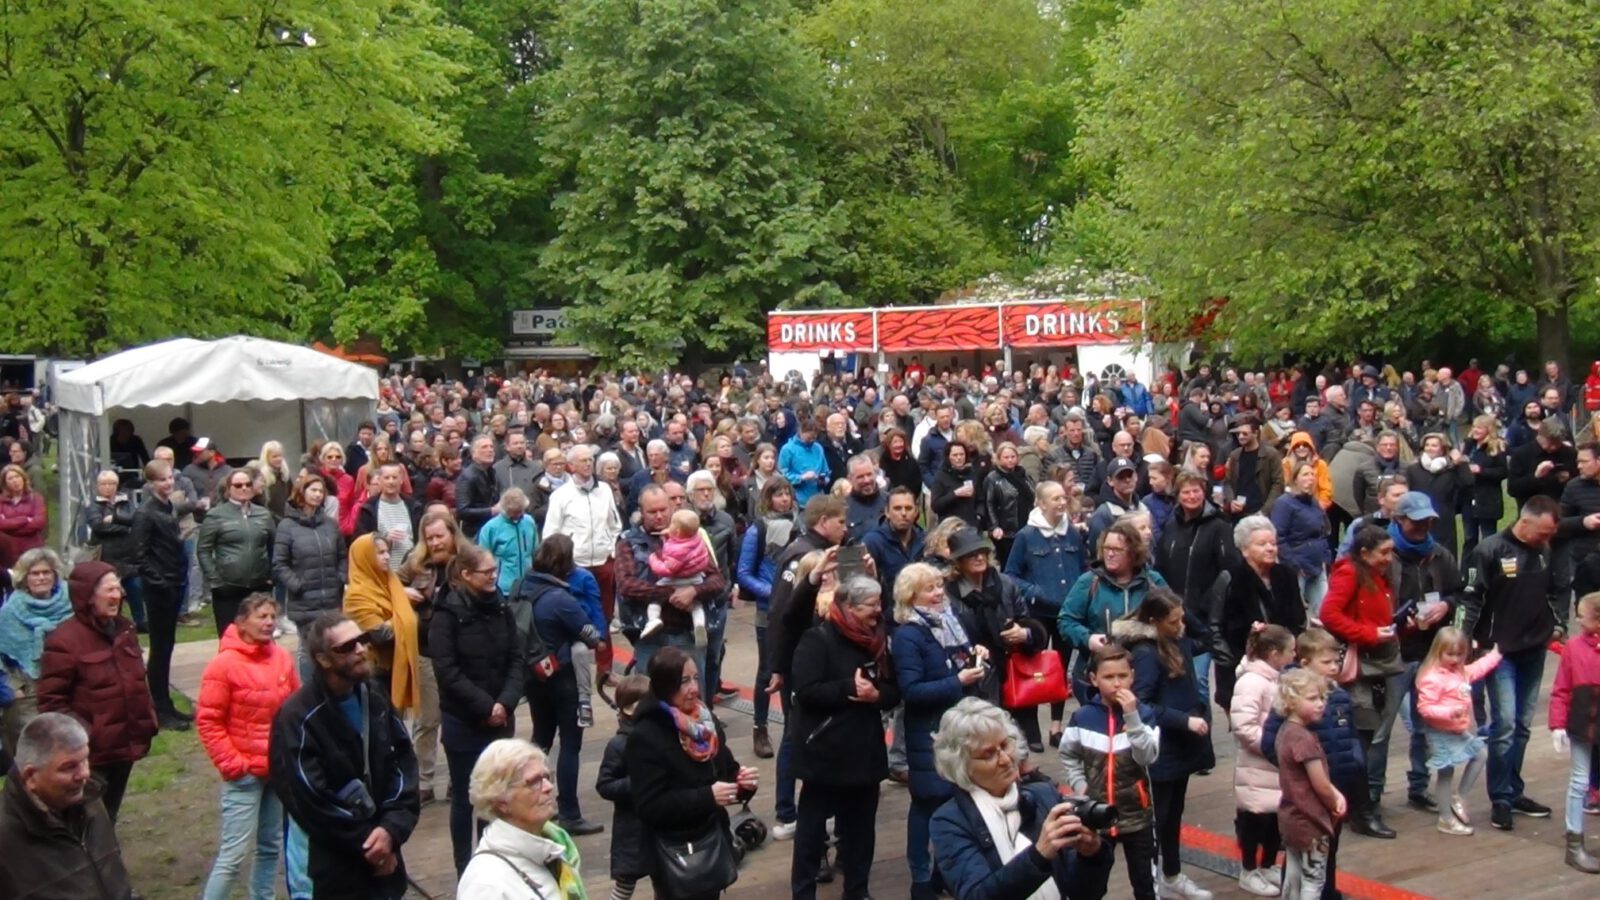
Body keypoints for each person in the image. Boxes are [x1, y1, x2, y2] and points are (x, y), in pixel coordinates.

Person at [268, 613, 421, 899]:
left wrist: (391, 829)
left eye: (362, 640)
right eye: (347, 647)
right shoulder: (297, 717)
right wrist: (371, 845)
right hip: (336, 868)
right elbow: (310, 797)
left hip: (386, 858)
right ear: (323, 660)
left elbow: (403, 762)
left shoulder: (374, 695)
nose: (361, 649)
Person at [930, 697, 1113, 900]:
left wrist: (1091, 855)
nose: (1006, 759)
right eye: (988, 754)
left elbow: (1086, 893)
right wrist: (1038, 856)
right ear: (960, 765)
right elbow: (976, 895)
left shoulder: (1044, 795)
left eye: (1005, 745)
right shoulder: (949, 822)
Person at [789, 574, 901, 899]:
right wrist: (848, 689)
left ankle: (858, 890)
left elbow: (894, 691)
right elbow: (806, 690)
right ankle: (803, 891)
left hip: (864, 751)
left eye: (880, 604)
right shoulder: (818, 639)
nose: (878, 612)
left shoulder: (880, 641)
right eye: (870, 606)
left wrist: (876, 696)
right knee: (811, 832)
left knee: (862, 830)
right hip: (825, 750)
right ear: (849, 607)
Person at [1460, 495, 1563, 832]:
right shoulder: (1488, 550)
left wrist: (1557, 623)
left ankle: (1513, 790)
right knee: (1503, 725)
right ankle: (1500, 798)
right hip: (1499, 651)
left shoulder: (1543, 551)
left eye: (1550, 535)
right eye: (1542, 532)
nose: (1546, 540)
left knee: (1521, 726)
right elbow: (1471, 598)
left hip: (1534, 648)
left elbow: (1552, 591)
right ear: (1525, 520)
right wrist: (1464, 639)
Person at [623, 646, 758, 900]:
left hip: (711, 840)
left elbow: (725, 772)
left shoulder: (704, 722)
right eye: (684, 681)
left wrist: (743, 783)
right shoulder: (647, 735)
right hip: (675, 852)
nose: (694, 688)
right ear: (665, 685)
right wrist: (707, 797)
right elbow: (650, 806)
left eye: (696, 678)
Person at [891, 561, 989, 900]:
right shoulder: (907, 635)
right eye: (930, 588)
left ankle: (942, 873)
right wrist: (957, 681)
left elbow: (957, 661)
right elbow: (912, 691)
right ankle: (920, 878)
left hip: (959, 729)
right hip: (929, 734)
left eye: (939, 586)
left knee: (957, 802)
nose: (938, 594)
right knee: (927, 803)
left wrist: (974, 659)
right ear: (911, 596)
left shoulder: (950, 622)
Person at [431, 542, 527, 875]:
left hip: (501, 717)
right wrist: (486, 706)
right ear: (466, 575)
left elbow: (518, 657)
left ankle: (497, 866)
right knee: (465, 798)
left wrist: (506, 702)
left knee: (499, 797)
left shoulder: (500, 606)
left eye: (494, 571)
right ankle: (465, 869)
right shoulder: (446, 614)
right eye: (486, 573)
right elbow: (446, 670)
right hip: (464, 720)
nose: (493, 577)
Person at [35, 560, 158, 821]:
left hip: (126, 744)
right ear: (88, 595)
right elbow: (51, 704)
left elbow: (136, 680)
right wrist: (88, 735)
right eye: (110, 590)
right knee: (86, 822)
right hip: (91, 756)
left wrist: (148, 719)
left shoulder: (125, 630)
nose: (119, 595)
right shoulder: (64, 641)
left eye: (119, 589)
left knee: (107, 818)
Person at [196, 593, 300, 900]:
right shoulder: (223, 665)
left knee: (270, 847)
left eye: (272, 617)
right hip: (244, 775)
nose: (268, 623)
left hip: (276, 769)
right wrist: (233, 765)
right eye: (261, 617)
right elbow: (209, 721)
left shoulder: (281, 657)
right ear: (241, 622)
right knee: (233, 856)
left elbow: (294, 707)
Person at [1113, 589, 1215, 900]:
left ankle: (1172, 873)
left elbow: (1207, 636)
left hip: (1182, 746)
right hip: (1162, 747)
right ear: (1155, 621)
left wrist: (1182, 611)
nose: (1181, 624)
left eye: (1182, 618)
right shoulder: (1145, 653)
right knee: (1159, 819)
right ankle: (1156, 881)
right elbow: (1140, 702)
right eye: (1174, 620)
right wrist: (1182, 720)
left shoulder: (1177, 639)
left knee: (1174, 814)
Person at [1262, 628, 1363, 900]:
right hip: (1307, 797)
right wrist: (1300, 773)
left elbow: (1350, 734)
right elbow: (1271, 742)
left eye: (1336, 661)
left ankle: (1327, 892)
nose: (1334, 667)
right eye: (1326, 662)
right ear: (1306, 663)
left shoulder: (1338, 695)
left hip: (1336, 787)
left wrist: (1353, 763)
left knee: (1328, 848)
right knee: (1303, 857)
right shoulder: (1292, 704)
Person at [515, 534, 605, 836]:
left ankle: (527, 803)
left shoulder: (522, 587)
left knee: (540, 737)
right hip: (562, 676)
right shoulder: (560, 599)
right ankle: (569, 811)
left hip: (533, 675)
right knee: (570, 744)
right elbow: (589, 634)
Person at [1318, 524, 1404, 839]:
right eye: (1384, 552)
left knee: (1365, 737)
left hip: (1378, 666)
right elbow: (1329, 614)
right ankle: (1359, 810)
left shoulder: (1378, 574)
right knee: (1358, 741)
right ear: (1364, 552)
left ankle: (1358, 804)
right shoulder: (1350, 573)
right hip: (1359, 671)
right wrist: (1368, 634)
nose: (1389, 557)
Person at [1060, 643, 1159, 900]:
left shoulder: (1145, 715)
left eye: (1122, 676)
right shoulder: (1082, 717)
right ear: (1094, 679)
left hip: (1137, 814)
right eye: (1108, 677)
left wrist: (1133, 718)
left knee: (1145, 884)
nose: (1117, 684)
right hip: (1097, 815)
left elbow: (1147, 756)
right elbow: (1068, 753)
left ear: (1132, 676)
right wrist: (1081, 786)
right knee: (1091, 884)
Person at [0, 713, 135, 899]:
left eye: (85, 760)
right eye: (69, 767)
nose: (85, 774)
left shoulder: (91, 800)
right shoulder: (6, 836)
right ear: (31, 776)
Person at [944, 526, 1050, 748]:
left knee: (1014, 736)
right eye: (971, 554)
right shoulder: (948, 593)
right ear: (958, 561)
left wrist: (1025, 633)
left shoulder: (1005, 584)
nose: (979, 557)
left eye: (982, 552)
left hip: (1010, 670)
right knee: (980, 738)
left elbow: (1028, 621)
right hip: (974, 676)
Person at [616, 484, 725, 681]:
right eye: (652, 512)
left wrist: (693, 591)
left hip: (686, 632)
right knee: (650, 698)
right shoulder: (628, 541)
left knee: (691, 696)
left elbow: (717, 580)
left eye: (663, 510)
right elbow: (626, 585)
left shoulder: (692, 535)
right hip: (649, 636)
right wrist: (670, 594)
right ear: (641, 512)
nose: (659, 516)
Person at [1005, 480, 1085, 747]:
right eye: (1055, 499)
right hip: (1037, 612)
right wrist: (1035, 591)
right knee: (1033, 665)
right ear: (1040, 503)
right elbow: (1012, 575)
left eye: (1063, 498)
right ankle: (1032, 731)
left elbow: (1082, 568)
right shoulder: (1026, 536)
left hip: (1066, 612)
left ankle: (1056, 726)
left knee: (1061, 667)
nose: (1061, 503)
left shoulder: (1072, 533)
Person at [455, 738, 587, 898]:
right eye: (534, 782)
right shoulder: (485, 885)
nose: (548, 787)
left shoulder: (555, 850)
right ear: (501, 801)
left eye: (547, 777)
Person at [1059, 521, 1170, 703]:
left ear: (1133, 553)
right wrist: (1088, 639)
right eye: (1106, 548)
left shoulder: (1152, 582)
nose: (1110, 554)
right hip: (1098, 675)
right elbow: (1066, 621)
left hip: (1144, 674)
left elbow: (1171, 619)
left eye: (1117, 550)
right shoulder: (1089, 582)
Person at [542, 443, 624, 688]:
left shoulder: (605, 491)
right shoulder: (560, 496)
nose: (588, 464)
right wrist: (560, 562)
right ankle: (568, 670)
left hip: (602, 562)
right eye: (582, 461)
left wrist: (611, 550)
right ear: (571, 466)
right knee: (572, 617)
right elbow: (551, 532)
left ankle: (605, 669)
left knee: (605, 616)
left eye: (590, 459)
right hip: (573, 567)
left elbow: (615, 524)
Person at [398, 508, 464, 804]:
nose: (435, 543)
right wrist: (402, 594)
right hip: (425, 650)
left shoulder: (467, 561)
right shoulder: (415, 562)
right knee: (427, 718)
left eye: (440, 536)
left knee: (459, 716)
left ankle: (457, 778)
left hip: (462, 651)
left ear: (452, 534)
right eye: (430, 538)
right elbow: (387, 584)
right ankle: (424, 780)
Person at [1414, 626, 1500, 837]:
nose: (1454, 659)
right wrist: (1450, 712)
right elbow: (1425, 708)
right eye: (1449, 654)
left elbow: (1478, 668)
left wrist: (1496, 654)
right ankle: (1446, 818)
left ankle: (1459, 797)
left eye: (1459, 654)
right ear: (1438, 651)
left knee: (1480, 753)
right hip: (1440, 731)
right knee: (1446, 772)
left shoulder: (1460, 672)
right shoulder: (1432, 677)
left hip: (1456, 730)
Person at [1212, 517, 1305, 711]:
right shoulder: (1229, 578)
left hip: (1284, 666)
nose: (1270, 548)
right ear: (1244, 549)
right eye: (1262, 544)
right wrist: (1233, 662)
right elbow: (1215, 626)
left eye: (1273, 543)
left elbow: (1299, 620)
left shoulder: (1286, 575)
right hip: (1241, 668)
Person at [736, 477, 800, 759]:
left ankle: (792, 727)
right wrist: (774, 592)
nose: (784, 499)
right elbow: (744, 574)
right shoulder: (757, 529)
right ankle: (759, 727)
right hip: (768, 610)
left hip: (797, 606)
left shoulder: (801, 524)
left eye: (787, 493)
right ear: (768, 499)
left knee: (795, 669)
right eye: (778, 495)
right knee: (767, 670)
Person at [1230, 625, 1295, 896]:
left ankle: (1268, 864)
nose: (1295, 655)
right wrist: (1272, 747)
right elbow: (1244, 726)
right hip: (1258, 765)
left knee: (1273, 820)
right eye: (1291, 650)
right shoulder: (1251, 682)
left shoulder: (1276, 679)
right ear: (1273, 653)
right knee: (1254, 819)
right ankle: (1248, 869)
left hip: (1276, 765)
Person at [132, 458, 193, 729]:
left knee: (168, 647)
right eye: (162, 479)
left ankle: (165, 703)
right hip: (160, 588)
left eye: (170, 478)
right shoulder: (146, 512)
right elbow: (140, 555)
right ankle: (159, 706)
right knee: (159, 648)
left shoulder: (169, 506)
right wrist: (160, 583)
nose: (168, 483)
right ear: (151, 483)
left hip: (175, 581)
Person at [1275, 669, 1347, 900]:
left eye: (1322, 698)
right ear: (1291, 702)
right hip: (1311, 821)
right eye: (1312, 698)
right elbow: (1321, 784)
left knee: (1294, 874)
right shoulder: (1304, 740)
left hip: (1291, 816)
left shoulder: (1285, 731)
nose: (1321, 704)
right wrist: (1335, 800)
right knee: (1313, 879)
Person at [273, 473, 347, 675]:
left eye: (321, 491)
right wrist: (298, 585)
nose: (318, 495)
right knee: (309, 650)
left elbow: (342, 556)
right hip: (304, 601)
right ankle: (308, 692)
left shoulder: (330, 525)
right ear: (301, 492)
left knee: (331, 648)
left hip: (331, 598)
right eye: (313, 490)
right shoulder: (287, 526)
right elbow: (280, 564)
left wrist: (340, 578)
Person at [0, 548, 71, 754]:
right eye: (35, 573)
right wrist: (11, 689)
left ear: (55, 574)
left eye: (46, 572)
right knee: (35, 753)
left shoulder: (72, 602)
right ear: (24, 577)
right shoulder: (10, 611)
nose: (41, 578)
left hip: (68, 686)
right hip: (29, 691)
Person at [1549, 592, 1600, 873]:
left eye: (1582, 614)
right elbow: (1561, 688)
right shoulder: (1574, 648)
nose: (1577, 618)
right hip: (1582, 721)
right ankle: (1574, 844)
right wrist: (1557, 724)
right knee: (1579, 780)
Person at [342, 533, 422, 713]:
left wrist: (397, 617)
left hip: (395, 667)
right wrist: (408, 616)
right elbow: (381, 635)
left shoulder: (390, 584)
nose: (387, 557)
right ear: (365, 557)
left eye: (387, 552)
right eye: (380, 553)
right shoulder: (357, 595)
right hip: (375, 673)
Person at [198, 466, 275, 635]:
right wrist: (216, 581)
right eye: (238, 485)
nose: (244, 488)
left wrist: (270, 575)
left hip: (258, 587)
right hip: (228, 589)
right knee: (230, 638)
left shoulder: (263, 514)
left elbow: (273, 546)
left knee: (261, 636)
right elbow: (203, 550)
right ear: (229, 488)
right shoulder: (215, 515)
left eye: (248, 484)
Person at [596, 674, 654, 900]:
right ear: (630, 709)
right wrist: (639, 783)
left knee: (667, 876)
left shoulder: (657, 735)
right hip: (632, 826)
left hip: (658, 820)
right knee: (625, 884)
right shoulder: (619, 744)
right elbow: (605, 784)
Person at [84, 470, 143, 630]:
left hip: (129, 556)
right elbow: (98, 526)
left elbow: (136, 521)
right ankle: (114, 622)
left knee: (136, 589)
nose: (108, 487)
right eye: (104, 484)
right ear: (98, 486)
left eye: (112, 484)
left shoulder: (126, 502)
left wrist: (113, 521)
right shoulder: (93, 506)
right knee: (112, 592)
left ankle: (141, 622)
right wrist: (124, 527)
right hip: (107, 556)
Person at [1272, 462, 1332, 614]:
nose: (1310, 478)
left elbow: (1323, 530)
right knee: (1295, 611)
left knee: (1323, 611)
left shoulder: (1314, 502)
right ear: (1295, 479)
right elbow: (1278, 536)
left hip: (1318, 563)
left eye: (1313, 474)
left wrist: (1325, 556)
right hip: (1297, 566)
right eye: (1305, 474)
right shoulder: (1284, 503)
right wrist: (1294, 564)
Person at [644, 508, 711, 641]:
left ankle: (653, 619)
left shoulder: (675, 549)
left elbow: (667, 569)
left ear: (678, 531)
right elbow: (682, 536)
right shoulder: (697, 540)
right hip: (696, 579)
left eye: (672, 524)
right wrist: (670, 534)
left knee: (654, 599)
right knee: (696, 606)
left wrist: (653, 560)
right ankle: (699, 625)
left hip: (675, 580)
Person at [1403, 433, 1471, 554]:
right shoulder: (1413, 470)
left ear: (1443, 449)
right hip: (1419, 519)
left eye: (1434, 445)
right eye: (1427, 445)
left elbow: (1468, 483)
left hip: (1444, 520)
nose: (1429, 448)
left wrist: (1460, 463)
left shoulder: (1451, 469)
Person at [1460, 415, 1508, 558]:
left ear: (1489, 429)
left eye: (1480, 428)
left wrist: (1481, 471)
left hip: (1488, 498)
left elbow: (1502, 472)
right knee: (1469, 537)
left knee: (1488, 536)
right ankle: (1467, 569)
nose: (1475, 430)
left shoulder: (1496, 446)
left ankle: (1490, 565)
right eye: (1474, 426)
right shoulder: (1468, 445)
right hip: (1468, 498)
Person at [479, 488, 539, 596]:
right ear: (505, 509)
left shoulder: (529, 522)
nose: (518, 514)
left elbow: (535, 551)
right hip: (503, 588)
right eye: (514, 512)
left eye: (521, 511)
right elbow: (483, 559)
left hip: (528, 585)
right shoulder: (490, 528)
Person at [984, 442, 1034, 563]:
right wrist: (995, 526)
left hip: (1026, 523)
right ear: (999, 459)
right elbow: (989, 503)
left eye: (1013, 457)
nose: (1010, 460)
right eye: (1006, 457)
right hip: (1006, 529)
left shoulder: (1023, 474)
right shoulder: (993, 478)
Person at [0, 464, 46, 571]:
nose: (15, 481)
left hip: (32, 549)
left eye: (17, 476)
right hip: (7, 552)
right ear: (5, 483)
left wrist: (9, 525)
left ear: (23, 478)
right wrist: (25, 519)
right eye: (10, 478)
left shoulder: (36, 498)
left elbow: (39, 523)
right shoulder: (1, 501)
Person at [456, 434, 501, 539]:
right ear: (474, 454)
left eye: (491, 447)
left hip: (491, 529)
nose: (490, 450)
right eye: (484, 447)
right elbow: (463, 510)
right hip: (475, 533)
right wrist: (492, 511)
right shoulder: (467, 476)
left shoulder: (492, 472)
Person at [932, 442, 982, 528]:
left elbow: (981, 499)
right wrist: (955, 494)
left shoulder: (972, 473)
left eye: (961, 454)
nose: (959, 458)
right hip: (949, 526)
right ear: (948, 457)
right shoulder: (941, 476)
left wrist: (979, 515)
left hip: (971, 525)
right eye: (955, 455)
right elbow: (936, 505)